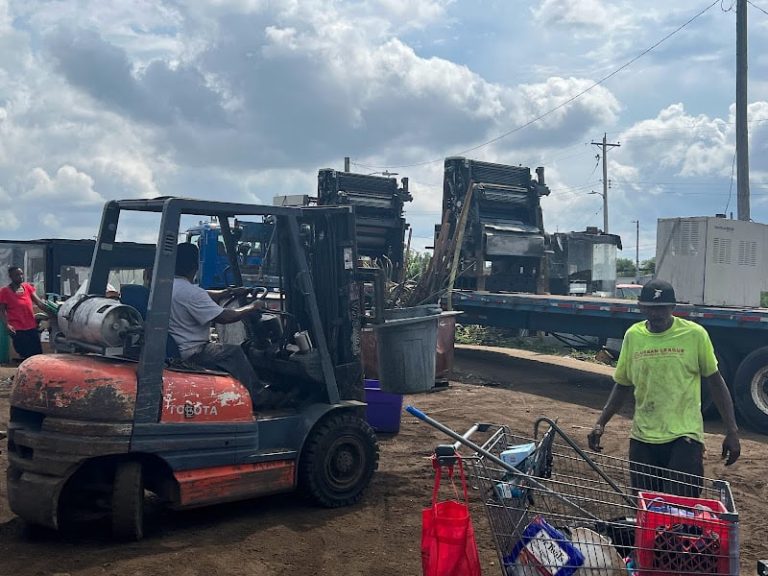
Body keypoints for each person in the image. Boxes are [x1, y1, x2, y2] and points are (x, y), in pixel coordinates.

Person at [587, 279, 740, 497]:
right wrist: (600, 424)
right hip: (643, 438)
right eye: (651, 308)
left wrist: (732, 431)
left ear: (673, 307)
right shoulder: (634, 336)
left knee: (679, 512)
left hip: (684, 437)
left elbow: (716, 382)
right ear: (641, 307)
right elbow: (622, 385)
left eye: (661, 308)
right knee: (647, 513)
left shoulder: (695, 335)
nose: (656, 314)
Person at [169, 243, 269, 407]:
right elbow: (225, 317)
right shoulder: (192, 293)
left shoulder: (169, 287)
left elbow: (202, 294)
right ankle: (259, 397)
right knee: (233, 352)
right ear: (195, 266)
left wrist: (228, 292)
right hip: (193, 353)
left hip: (177, 348)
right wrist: (253, 307)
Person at [0, 267, 49, 359]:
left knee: (37, 354)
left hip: (31, 326)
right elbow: (1, 311)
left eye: (21, 274)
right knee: (24, 354)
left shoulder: (27, 287)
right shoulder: (5, 292)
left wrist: (51, 313)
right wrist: (7, 325)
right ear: (11, 277)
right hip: (17, 328)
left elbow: (39, 303)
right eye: (17, 275)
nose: (21, 276)